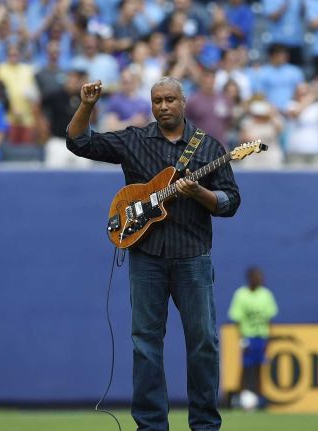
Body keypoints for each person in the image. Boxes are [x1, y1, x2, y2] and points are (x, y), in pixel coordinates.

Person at [66, 76, 241, 431]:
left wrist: (199, 195)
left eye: (170, 99)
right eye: (157, 100)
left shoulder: (209, 148)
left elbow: (230, 202)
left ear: (183, 102)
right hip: (146, 255)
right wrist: (86, 105)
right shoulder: (133, 140)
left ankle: (205, 425)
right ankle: (150, 425)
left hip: (193, 256)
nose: (163, 106)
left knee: (203, 342)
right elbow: (78, 141)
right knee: (145, 344)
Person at [227, 266, 278, 408]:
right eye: (257, 277)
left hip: (261, 337)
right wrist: (241, 338)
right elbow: (237, 319)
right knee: (245, 368)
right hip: (248, 337)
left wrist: (268, 338)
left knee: (260, 368)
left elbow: (269, 319)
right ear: (250, 278)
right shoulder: (241, 295)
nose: (260, 279)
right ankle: (239, 397)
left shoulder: (266, 295)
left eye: (261, 277)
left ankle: (259, 397)